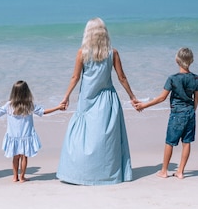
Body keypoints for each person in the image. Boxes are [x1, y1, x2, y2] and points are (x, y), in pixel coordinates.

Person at [56, 18, 138, 185]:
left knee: (82, 136)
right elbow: (121, 77)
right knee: (106, 138)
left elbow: (75, 77)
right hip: (107, 98)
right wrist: (132, 96)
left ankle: (79, 173)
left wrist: (66, 97)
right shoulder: (112, 53)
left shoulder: (82, 53)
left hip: (87, 99)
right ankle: (106, 174)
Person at [134, 47, 198, 179]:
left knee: (170, 142)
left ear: (177, 60)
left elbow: (161, 98)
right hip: (190, 112)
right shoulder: (196, 78)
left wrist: (144, 105)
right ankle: (180, 171)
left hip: (177, 113)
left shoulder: (173, 78)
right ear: (191, 61)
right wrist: (192, 111)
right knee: (186, 142)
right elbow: (196, 99)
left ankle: (164, 171)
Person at [0, 80, 64, 182]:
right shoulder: (29, 105)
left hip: (13, 136)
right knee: (24, 157)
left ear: (13, 92)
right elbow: (43, 112)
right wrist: (58, 107)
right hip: (26, 135)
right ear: (27, 92)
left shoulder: (9, 105)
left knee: (15, 157)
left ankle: (15, 177)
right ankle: (22, 177)